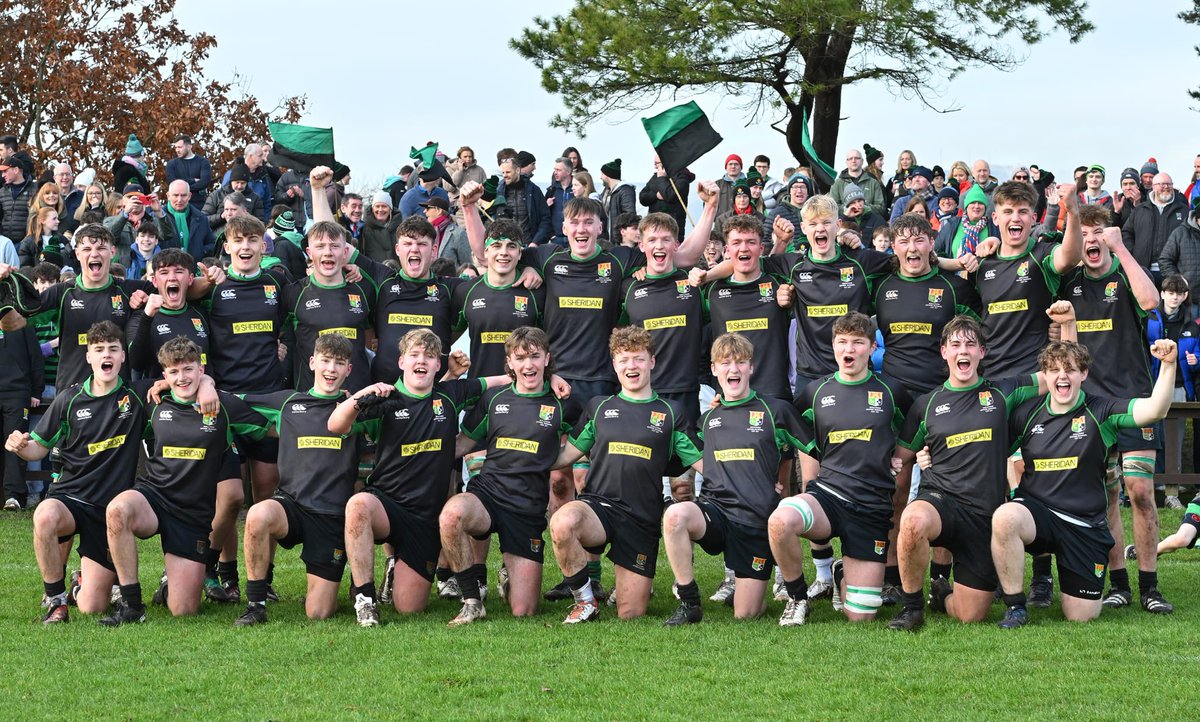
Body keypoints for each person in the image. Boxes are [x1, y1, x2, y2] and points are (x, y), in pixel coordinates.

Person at [888, 312, 1069, 630]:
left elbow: (1060, 375)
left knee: (971, 614)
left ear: (982, 353)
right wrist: (917, 455)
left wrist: (1068, 326)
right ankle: (912, 607)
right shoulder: (926, 405)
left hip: (984, 517)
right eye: (955, 344)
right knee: (914, 521)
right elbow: (898, 459)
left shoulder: (1003, 392)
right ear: (943, 352)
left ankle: (942, 595)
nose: (963, 351)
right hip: (940, 502)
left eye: (971, 345)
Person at [991, 338, 1176, 627]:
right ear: (1046, 376)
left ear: (1083, 374)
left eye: (1070, 369)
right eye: (1053, 370)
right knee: (1005, 517)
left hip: (1083, 525)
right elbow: (985, 452)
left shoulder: (1101, 411)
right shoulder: (1026, 415)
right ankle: (1015, 606)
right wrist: (930, 455)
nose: (1062, 375)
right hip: (1039, 515)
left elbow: (1154, 410)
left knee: (1080, 615)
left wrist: (1168, 365)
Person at [99, 337, 261, 625]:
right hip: (154, 496)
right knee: (117, 510)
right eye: (173, 372)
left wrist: (209, 384)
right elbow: (107, 387)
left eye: (188, 369)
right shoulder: (152, 400)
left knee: (183, 609)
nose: (181, 378)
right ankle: (132, 605)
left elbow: (275, 425)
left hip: (191, 514)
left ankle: (170, 582)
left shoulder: (222, 405)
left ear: (200, 369)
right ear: (164, 376)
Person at [548, 326, 703, 623]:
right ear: (614, 365)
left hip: (641, 517)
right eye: (624, 360)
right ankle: (585, 601)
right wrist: (524, 454)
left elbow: (701, 462)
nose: (631, 366)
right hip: (598, 507)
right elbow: (566, 455)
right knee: (562, 522)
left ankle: (621, 590)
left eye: (638, 359)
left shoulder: (671, 412)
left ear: (652, 362)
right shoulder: (600, 407)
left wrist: (747, 471)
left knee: (631, 614)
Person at [1059, 206, 1169, 613]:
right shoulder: (1069, 284)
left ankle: (1151, 586)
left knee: (1139, 491)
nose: (1092, 239)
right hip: (1090, 406)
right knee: (1104, 496)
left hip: (1134, 399)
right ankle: (1119, 582)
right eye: (1085, 232)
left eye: (1099, 232)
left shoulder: (1124, 273)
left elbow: (1151, 300)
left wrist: (1121, 249)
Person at [5, 322, 147, 623]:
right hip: (70, 497)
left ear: (122, 356)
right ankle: (56, 602)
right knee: (44, 515)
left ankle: (81, 583)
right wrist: (18, 445)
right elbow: (37, 450)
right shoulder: (69, 400)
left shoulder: (136, 399)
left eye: (112, 349)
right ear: (89, 357)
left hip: (108, 512)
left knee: (94, 606)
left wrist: (206, 385)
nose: (105, 355)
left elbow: (179, 388)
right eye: (98, 350)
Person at [661, 332, 806, 625]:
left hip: (754, 520)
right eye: (725, 363)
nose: (733, 369)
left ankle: (750, 589)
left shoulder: (775, 410)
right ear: (714, 369)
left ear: (751, 367)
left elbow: (810, 447)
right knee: (675, 515)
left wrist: (804, 489)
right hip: (715, 511)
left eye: (740, 362)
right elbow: (690, 455)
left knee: (745, 614)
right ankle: (689, 602)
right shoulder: (708, 420)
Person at [439, 327, 581, 626]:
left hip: (526, 507)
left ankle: (508, 571)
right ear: (510, 362)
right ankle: (471, 600)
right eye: (520, 358)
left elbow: (584, 442)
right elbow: (463, 443)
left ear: (547, 359)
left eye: (535, 357)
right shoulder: (493, 398)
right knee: (452, 515)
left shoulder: (563, 402)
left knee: (524, 610)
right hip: (488, 494)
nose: (528, 365)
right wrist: (423, 456)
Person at [233, 334, 369, 625]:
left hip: (331, 516)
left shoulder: (359, 410)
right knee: (258, 513)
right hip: (291, 506)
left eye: (339, 363)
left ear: (349, 370)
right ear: (312, 362)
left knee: (318, 613)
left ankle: (352, 585)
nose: (331, 369)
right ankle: (256, 603)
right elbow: (230, 399)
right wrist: (203, 385)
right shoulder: (287, 403)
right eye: (325, 360)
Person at [281, 221, 376, 393]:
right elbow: (275, 333)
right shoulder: (293, 293)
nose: (328, 252)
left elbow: (372, 336)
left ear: (345, 251)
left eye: (334, 246)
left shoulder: (365, 289)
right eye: (320, 246)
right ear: (309, 253)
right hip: (311, 400)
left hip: (358, 395)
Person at [0, 298, 43, 510]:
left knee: (15, 444)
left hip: (17, 393)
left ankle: (13, 496)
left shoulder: (20, 319)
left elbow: (35, 356)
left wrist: (37, 390)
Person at [496, 157, 551, 246]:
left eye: (508, 172)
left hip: (529, 245)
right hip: (507, 245)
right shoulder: (498, 191)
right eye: (503, 172)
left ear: (517, 170)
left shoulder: (533, 190)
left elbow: (545, 218)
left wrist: (536, 242)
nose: (504, 175)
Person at [639, 155, 692, 240]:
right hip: (653, 224)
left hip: (672, 226)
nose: (655, 166)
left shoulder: (682, 177)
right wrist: (655, 195)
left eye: (657, 163)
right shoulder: (654, 177)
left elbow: (671, 196)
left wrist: (661, 178)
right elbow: (642, 197)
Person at [205, 163, 265, 232]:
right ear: (231, 181)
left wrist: (248, 217)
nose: (239, 186)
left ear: (247, 183)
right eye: (237, 182)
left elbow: (261, 224)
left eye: (243, 183)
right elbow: (203, 219)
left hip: (245, 235)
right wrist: (221, 216)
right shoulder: (216, 195)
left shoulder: (255, 198)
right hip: (218, 236)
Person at [830, 148, 886, 217]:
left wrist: (864, 208)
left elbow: (882, 208)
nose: (853, 161)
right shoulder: (837, 183)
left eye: (857, 158)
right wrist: (849, 208)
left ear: (862, 161)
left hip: (869, 223)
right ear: (846, 162)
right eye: (850, 159)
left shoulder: (873, 183)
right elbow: (832, 207)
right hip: (845, 224)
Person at [165, 134, 213, 211]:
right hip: (178, 205)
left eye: (180, 147)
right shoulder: (171, 164)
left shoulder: (203, 162)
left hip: (199, 205)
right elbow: (172, 183)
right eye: (176, 147)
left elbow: (204, 182)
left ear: (189, 146)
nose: (177, 150)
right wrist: (193, 181)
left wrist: (182, 188)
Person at [1, 151, 37, 242]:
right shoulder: (2, 192)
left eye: (5, 171)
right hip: (4, 242)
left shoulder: (35, 190)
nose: (3, 175)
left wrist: (28, 239)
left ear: (16, 170)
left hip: (25, 243)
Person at [598, 159, 636, 242]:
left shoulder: (625, 191)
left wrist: (622, 237)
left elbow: (630, 215)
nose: (600, 177)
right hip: (609, 237)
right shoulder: (607, 191)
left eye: (602, 174)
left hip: (619, 239)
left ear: (608, 175)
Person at [546, 157, 575, 246]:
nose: (555, 172)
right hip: (556, 238)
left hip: (574, 237)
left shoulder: (576, 188)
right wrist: (550, 234)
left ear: (568, 172)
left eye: (558, 170)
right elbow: (543, 214)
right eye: (555, 170)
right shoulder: (552, 190)